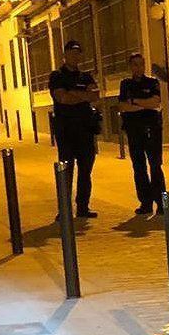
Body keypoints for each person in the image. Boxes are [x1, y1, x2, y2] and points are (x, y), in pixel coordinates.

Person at [49, 40, 101, 219]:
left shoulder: (86, 76)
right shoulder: (56, 76)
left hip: (85, 130)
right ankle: (64, 210)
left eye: (78, 53)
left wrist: (74, 93)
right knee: (66, 171)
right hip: (66, 131)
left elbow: (95, 96)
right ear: (65, 54)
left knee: (85, 170)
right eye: (71, 52)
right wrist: (83, 96)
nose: (75, 56)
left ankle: (83, 207)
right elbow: (62, 98)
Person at [119, 53, 167, 216]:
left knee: (155, 165)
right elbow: (123, 106)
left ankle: (161, 202)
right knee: (138, 167)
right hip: (134, 130)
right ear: (130, 67)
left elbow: (155, 102)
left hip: (152, 129)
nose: (138, 67)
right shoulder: (125, 84)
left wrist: (135, 102)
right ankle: (145, 202)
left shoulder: (152, 82)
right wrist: (142, 104)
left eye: (141, 64)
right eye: (135, 64)